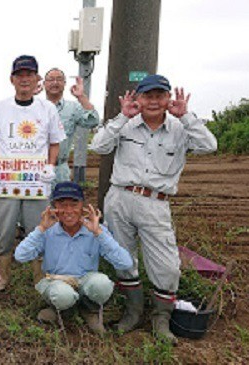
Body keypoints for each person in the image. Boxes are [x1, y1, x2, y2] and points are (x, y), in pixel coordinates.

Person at [90, 74, 217, 343]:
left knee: (167, 265)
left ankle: (161, 319)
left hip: (155, 202)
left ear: (169, 99)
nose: (154, 101)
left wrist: (186, 116)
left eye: (160, 96)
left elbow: (210, 145)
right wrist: (122, 116)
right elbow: (98, 145)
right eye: (148, 96)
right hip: (120, 198)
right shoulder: (125, 124)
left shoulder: (180, 128)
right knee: (123, 258)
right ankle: (132, 312)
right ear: (138, 98)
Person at [0, 55, 65, 292]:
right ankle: (2, 275)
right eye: (20, 75)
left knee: (38, 226)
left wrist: (50, 165)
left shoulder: (47, 109)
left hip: (35, 181)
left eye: (30, 75)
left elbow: (54, 142)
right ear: (12, 79)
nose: (24, 79)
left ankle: (39, 276)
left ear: (37, 79)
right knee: (4, 229)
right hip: (5, 181)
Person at [14, 182, 132, 335]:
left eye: (74, 204)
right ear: (54, 207)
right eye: (62, 205)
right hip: (55, 281)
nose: (68, 211)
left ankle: (89, 310)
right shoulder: (47, 230)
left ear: (83, 206)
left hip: (85, 281)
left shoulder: (95, 230)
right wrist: (41, 229)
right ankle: (62, 312)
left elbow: (125, 262)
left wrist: (98, 233)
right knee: (63, 295)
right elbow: (20, 256)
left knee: (102, 284)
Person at [42, 69, 99, 186]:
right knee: (36, 204)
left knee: (61, 203)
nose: (55, 83)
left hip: (60, 170)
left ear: (64, 83)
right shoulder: (35, 107)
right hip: (36, 168)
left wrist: (81, 96)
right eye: (51, 79)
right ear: (44, 84)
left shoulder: (73, 108)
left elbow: (93, 121)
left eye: (59, 79)